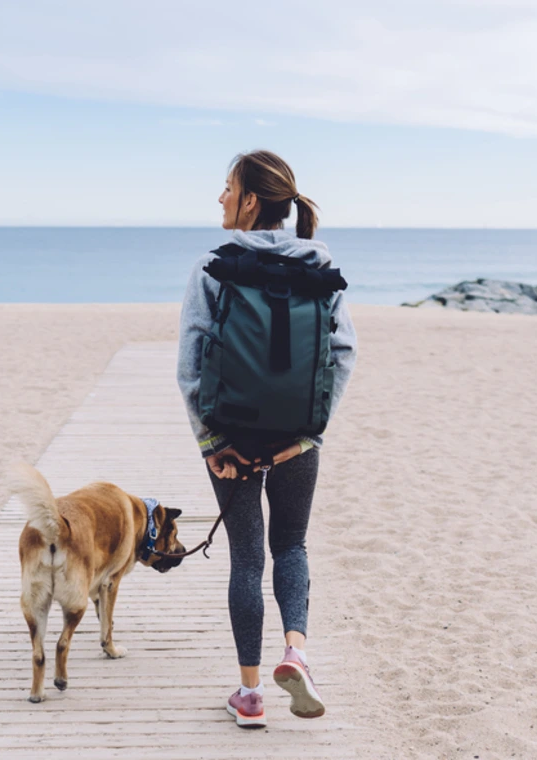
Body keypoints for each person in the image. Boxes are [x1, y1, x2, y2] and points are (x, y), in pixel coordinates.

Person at [177, 150, 358, 728]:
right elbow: (344, 353)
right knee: (292, 547)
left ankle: (250, 696)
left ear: (251, 199)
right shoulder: (320, 264)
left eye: (228, 188)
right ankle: (297, 652)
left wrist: (212, 444)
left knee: (246, 557)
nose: (222, 198)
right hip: (296, 436)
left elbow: (191, 365)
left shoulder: (213, 264)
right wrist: (308, 435)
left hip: (231, 433)